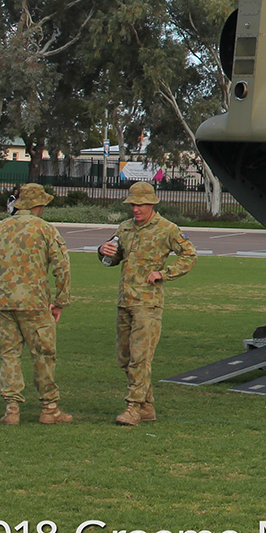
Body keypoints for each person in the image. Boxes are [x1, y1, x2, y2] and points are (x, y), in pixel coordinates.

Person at [98, 181, 197, 425]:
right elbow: (112, 258)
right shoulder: (124, 229)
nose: (136, 209)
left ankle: (133, 408)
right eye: (132, 204)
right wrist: (102, 251)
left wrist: (164, 274)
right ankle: (147, 406)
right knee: (125, 358)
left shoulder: (167, 229)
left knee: (140, 358)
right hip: (125, 301)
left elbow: (190, 255)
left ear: (151, 204)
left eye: (140, 204)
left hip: (148, 304)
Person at [0, 183, 71, 425]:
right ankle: (49, 407)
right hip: (35, 303)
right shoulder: (45, 229)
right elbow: (62, 267)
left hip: (4, 302)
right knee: (43, 354)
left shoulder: (0, 229)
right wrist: (60, 301)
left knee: (9, 355)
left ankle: (11, 409)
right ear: (39, 205)